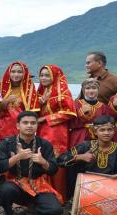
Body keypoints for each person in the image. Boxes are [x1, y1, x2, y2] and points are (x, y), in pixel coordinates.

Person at [0, 111, 63, 215]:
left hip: (37, 185)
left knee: (55, 211)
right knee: (6, 190)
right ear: (18, 125)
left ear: (37, 125)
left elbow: (53, 170)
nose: (29, 126)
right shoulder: (6, 143)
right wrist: (17, 157)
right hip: (14, 182)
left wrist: (43, 162)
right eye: (25, 123)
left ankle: (33, 210)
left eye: (33, 123)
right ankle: (8, 212)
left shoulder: (45, 144)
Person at [58, 115, 117, 187]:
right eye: (102, 130)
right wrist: (80, 157)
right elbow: (59, 160)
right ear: (95, 132)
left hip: (111, 188)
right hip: (85, 188)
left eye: (109, 130)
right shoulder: (85, 146)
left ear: (114, 131)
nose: (106, 133)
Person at [37, 65, 76, 202]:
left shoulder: (63, 92)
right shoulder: (41, 91)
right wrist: (39, 103)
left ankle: (58, 196)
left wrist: (46, 118)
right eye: (41, 75)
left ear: (55, 76)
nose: (43, 78)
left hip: (57, 131)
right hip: (41, 130)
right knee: (41, 158)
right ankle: (41, 193)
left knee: (56, 160)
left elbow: (70, 112)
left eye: (47, 75)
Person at [0, 61, 39, 155]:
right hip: (3, 127)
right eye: (13, 71)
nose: (16, 74)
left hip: (22, 128)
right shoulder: (1, 87)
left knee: (22, 156)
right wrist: (5, 102)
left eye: (19, 72)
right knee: (3, 157)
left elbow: (33, 113)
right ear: (8, 73)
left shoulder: (29, 89)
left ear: (24, 74)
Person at [69, 78, 112, 148]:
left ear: (98, 90)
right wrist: (81, 114)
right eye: (88, 88)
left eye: (94, 88)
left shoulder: (103, 106)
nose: (91, 91)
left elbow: (107, 124)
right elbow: (70, 124)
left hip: (98, 137)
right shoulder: (76, 104)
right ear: (83, 90)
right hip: (79, 137)